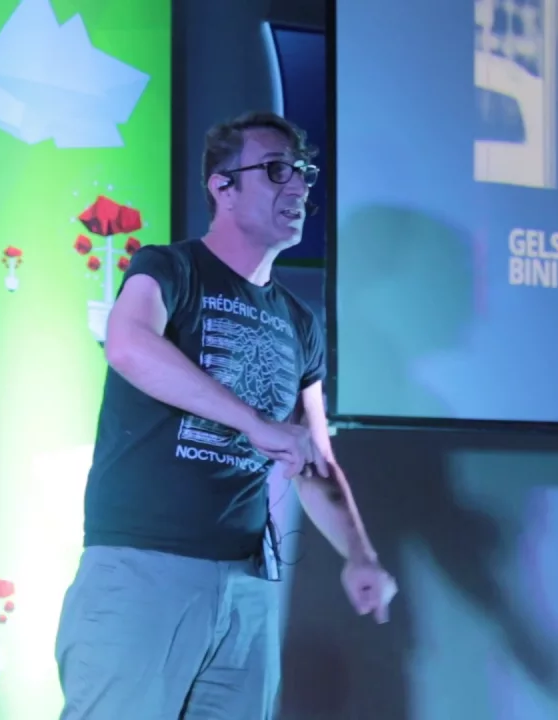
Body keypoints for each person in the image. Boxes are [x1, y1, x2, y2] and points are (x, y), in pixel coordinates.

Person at [54, 111, 398, 719]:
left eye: (304, 173)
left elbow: (314, 459)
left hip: (246, 587)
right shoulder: (170, 269)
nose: (298, 187)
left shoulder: (299, 322)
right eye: (277, 170)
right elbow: (128, 344)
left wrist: (360, 554)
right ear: (223, 187)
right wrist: (253, 421)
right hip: (142, 570)